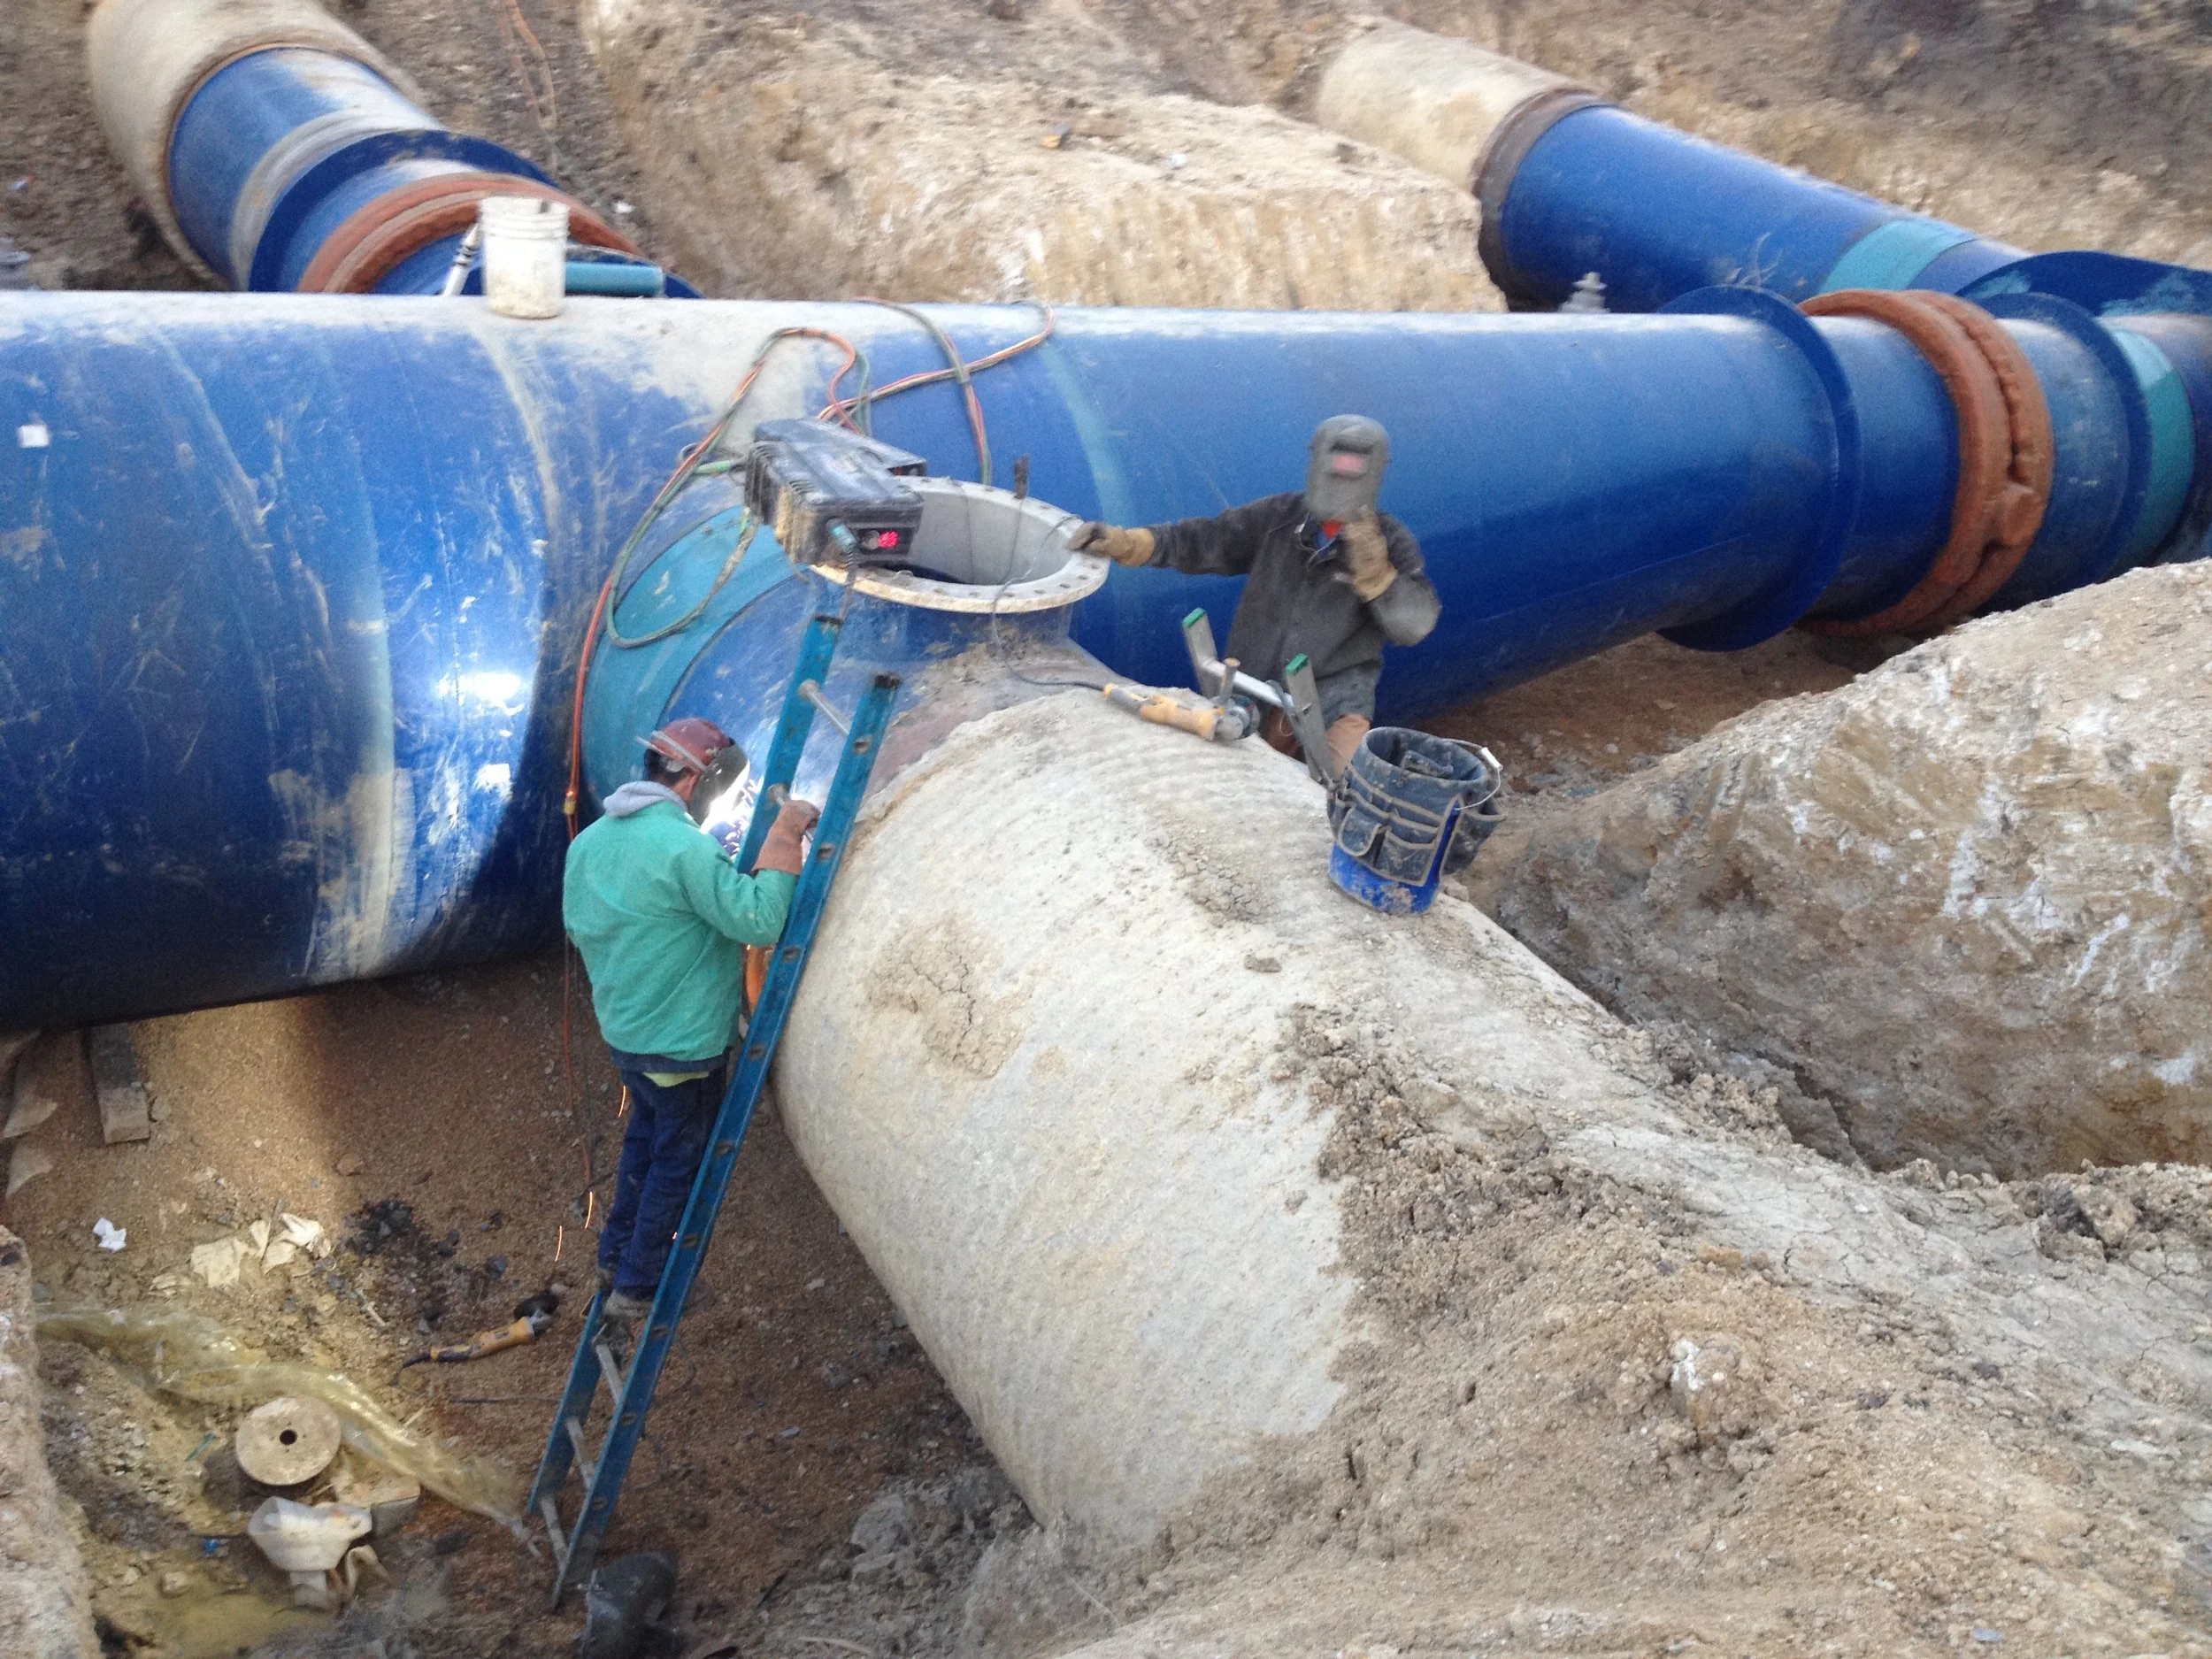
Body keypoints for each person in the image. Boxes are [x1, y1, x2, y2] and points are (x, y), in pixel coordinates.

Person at [562, 717, 819, 1323]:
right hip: (682, 1048)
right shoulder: (684, 848)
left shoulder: (590, 843)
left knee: (645, 1143)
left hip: (628, 1037)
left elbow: (582, 925)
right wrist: (783, 838)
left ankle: (615, 1256)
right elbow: (758, 920)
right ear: (704, 780)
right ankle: (640, 1285)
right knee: (678, 1160)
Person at [1071, 416, 1440, 774]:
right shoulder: (1278, 518)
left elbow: (1415, 626)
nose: (1342, 480)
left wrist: (1379, 579)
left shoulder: (1389, 541)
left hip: (1334, 700)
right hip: (1253, 686)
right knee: (1240, 783)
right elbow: (1203, 540)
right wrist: (1128, 543)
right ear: (1315, 462)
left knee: (1338, 796)